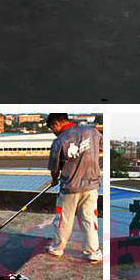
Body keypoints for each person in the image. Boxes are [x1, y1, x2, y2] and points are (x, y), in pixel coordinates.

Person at [46, 113, 102, 263]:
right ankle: (93, 252)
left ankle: (57, 248)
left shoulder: (60, 141)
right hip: (91, 186)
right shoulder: (93, 132)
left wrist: (54, 180)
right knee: (89, 219)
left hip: (70, 188)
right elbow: (100, 150)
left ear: (56, 123)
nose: (53, 132)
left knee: (63, 219)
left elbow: (54, 169)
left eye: (52, 128)